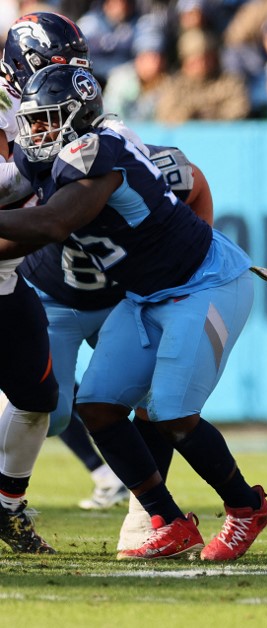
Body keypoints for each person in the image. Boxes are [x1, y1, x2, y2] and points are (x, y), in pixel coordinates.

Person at [2, 63, 267, 561]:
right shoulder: (50, 158)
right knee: (98, 405)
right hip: (143, 294)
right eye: (32, 121)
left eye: (47, 120)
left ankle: (246, 506)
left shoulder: (98, 150)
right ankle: (167, 520)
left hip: (202, 284)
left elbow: (51, 222)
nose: (35, 132)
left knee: (170, 411)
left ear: (78, 116)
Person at [0, 10, 85, 554]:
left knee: (39, 398)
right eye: (58, 65)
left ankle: (7, 511)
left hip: (6, 277)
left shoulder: (54, 110)